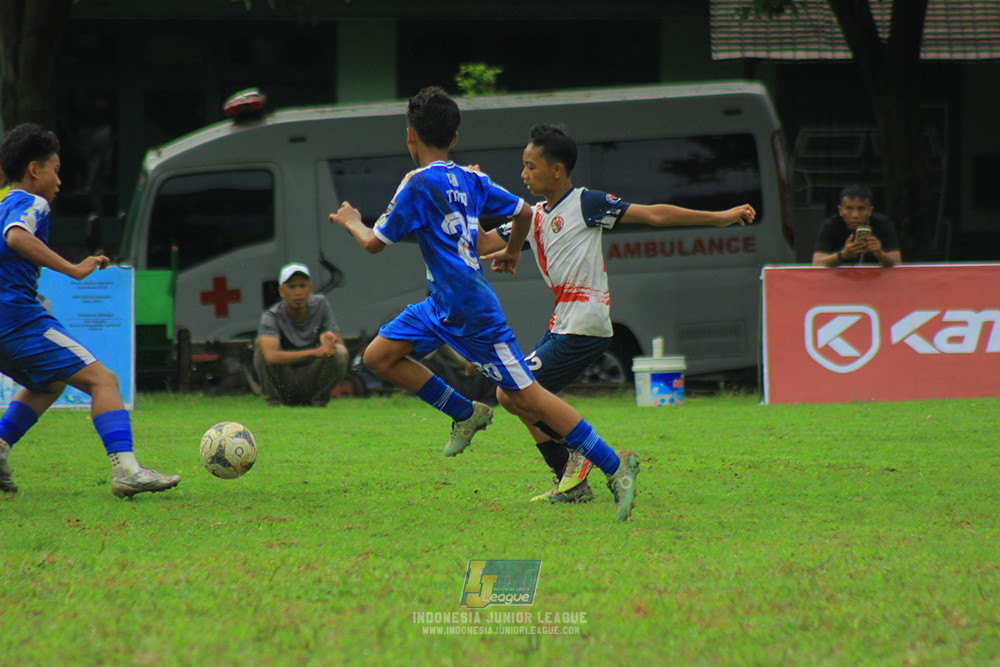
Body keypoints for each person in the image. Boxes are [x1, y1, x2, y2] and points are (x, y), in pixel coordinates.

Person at [330, 86, 640, 522]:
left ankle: (615, 466)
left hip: (472, 311)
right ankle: (465, 413)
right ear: (454, 139)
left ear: (409, 137)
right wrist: (512, 250)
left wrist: (350, 221)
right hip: (441, 303)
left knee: (529, 397)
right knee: (379, 356)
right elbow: (526, 214)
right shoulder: (472, 179)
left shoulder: (416, 183)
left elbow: (373, 243)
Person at [478, 123, 754, 503]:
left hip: (585, 324)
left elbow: (654, 215)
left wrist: (719, 217)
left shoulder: (586, 203)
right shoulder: (533, 217)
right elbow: (480, 243)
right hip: (563, 324)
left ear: (557, 170)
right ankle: (572, 479)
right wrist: (468, 200)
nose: (523, 175)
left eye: (531, 166)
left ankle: (583, 459)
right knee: (518, 396)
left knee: (513, 392)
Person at [0, 123, 180, 498]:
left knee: (47, 382)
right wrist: (74, 268)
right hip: (16, 319)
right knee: (104, 381)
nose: (60, 181)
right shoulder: (33, 203)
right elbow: (17, 236)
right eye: (56, 169)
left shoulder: (1, 204)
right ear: (35, 170)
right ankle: (127, 470)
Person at [253, 262, 349, 407]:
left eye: (302, 286)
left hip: (313, 375)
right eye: (292, 287)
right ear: (282, 291)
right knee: (261, 344)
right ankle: (274, 401)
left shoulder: (321, 304)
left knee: (340, 352)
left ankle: (319, 401)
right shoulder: (271, 316)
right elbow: (271, 356)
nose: (298, 292)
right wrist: (316, 352)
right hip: (285, 379)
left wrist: (329, 339)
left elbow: (339, 344)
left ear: (310, 288)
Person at [812, 184, 901, 267]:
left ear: (870, 211)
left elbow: (897, 262)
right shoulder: (830, 226)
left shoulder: (883, 224)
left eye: (861, 209)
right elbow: (817, 262)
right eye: (849, 208)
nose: (855, 215)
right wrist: (842, 255)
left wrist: (881, 255)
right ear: (840, 210)